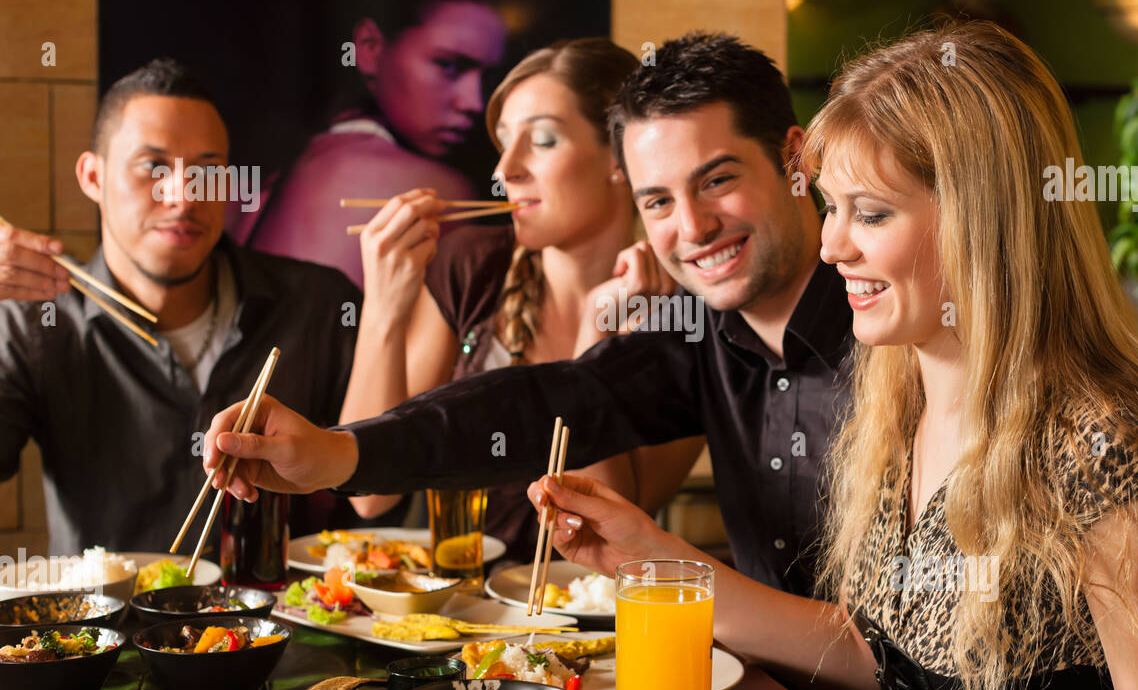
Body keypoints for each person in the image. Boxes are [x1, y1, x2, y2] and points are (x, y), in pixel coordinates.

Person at [519, 22, 1138, 690]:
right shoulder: (897, 403)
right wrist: (654, 561)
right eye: (831, 207)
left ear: (981, 222)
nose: (833, 245)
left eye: (870, 214)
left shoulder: (1106, 457)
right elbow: (880, 661)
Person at [201, 31, 853, 602]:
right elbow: (529, 407)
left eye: (716, 180)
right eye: (662, 199)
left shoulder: (697, 315)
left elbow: (607, 498)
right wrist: (339, 448)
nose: (505, 172)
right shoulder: (698, 321)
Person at [340, 39, 704, 564]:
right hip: (459, 618)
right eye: (505, 142)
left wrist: (596, 334)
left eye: (544, 140)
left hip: (588, 631)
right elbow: (372, 496)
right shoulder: (471, 266)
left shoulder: (685, 314)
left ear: (621, 158)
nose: (505, 169)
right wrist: (383, 309)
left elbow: (610, 531)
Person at [0, 58, 370, 553]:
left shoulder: (319, 304)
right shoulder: (35, 321)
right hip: (102, 628)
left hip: (280, 626)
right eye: (153, 167)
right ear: (93, 177)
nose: (184, 195)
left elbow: (382, 482)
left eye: (208, 171)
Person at [234, 0, 508, 289]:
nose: (475, 102)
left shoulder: (289, 169)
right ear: (369, 49)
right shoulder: (434, 194)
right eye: (449, 66)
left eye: (488, 77)